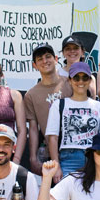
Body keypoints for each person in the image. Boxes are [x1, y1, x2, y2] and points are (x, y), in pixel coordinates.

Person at [45, 62, 100, 180]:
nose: (80, 81)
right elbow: (53, 138)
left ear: (89, 80)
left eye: (84, 77)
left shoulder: (99, 106)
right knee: (68, 197)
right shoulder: (59, 105)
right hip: (68, 158)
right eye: (76, 78)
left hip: (94, 158)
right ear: (70, 80)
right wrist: (56, 167)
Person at [24, 43, 73, 174]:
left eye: (48, 56)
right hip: (49, 154)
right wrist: (33, 157)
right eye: (40, 59)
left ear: (56, 59)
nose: (45, 61)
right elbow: (33, 129)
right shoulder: (31, 95)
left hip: (75, 151)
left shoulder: (71, 83)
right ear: (34, 65)